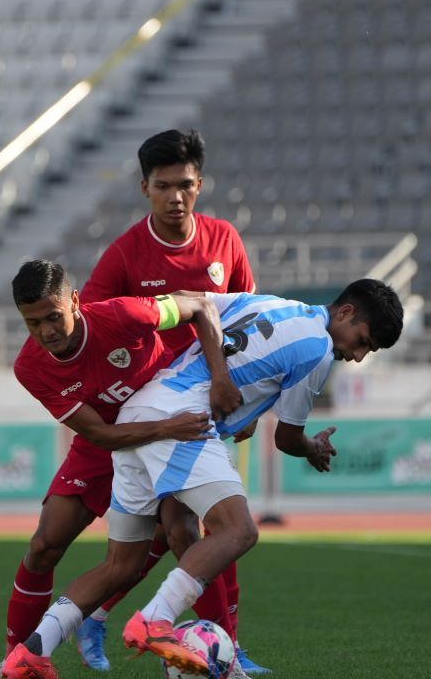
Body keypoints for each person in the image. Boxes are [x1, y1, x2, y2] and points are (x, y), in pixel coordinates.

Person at [0, 280, 404, 679]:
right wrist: (311, 447)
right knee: (239, 531)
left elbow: (200, 306)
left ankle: (32, 654)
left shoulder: (264, 303)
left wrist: (230, 386)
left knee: (122, 565)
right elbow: (286, 437)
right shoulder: (318, 350)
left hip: (139, 414)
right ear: (346, 312)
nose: (357, 355)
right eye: (363, 342)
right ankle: (155, 620)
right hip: (182, 421)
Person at [0, 260, 241, 677]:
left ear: (76, 302)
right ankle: (18, 661)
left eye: (54, 317)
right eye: (33, 323)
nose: (47, 331)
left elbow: (199, 306)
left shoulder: (124, 314)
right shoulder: (30, 366)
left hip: (168, 420)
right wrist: (165, 426)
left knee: (183, 534)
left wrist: (219, 378)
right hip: (109, 439)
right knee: (44, 545)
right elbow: (99, 435)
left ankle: (230, 657)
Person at [78, 129, 263, 673]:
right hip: (148, 412)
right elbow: (89, 319)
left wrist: (243, 398)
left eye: (185, 185)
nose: (175, 196)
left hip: (207, 409)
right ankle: (216, 646)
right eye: (164, 186)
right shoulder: (127, 252)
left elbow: (245, 316)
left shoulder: (224, 240)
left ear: (199, 185)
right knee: (195, 532)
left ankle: (214, 643)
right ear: (144, 188)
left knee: (189, 532)